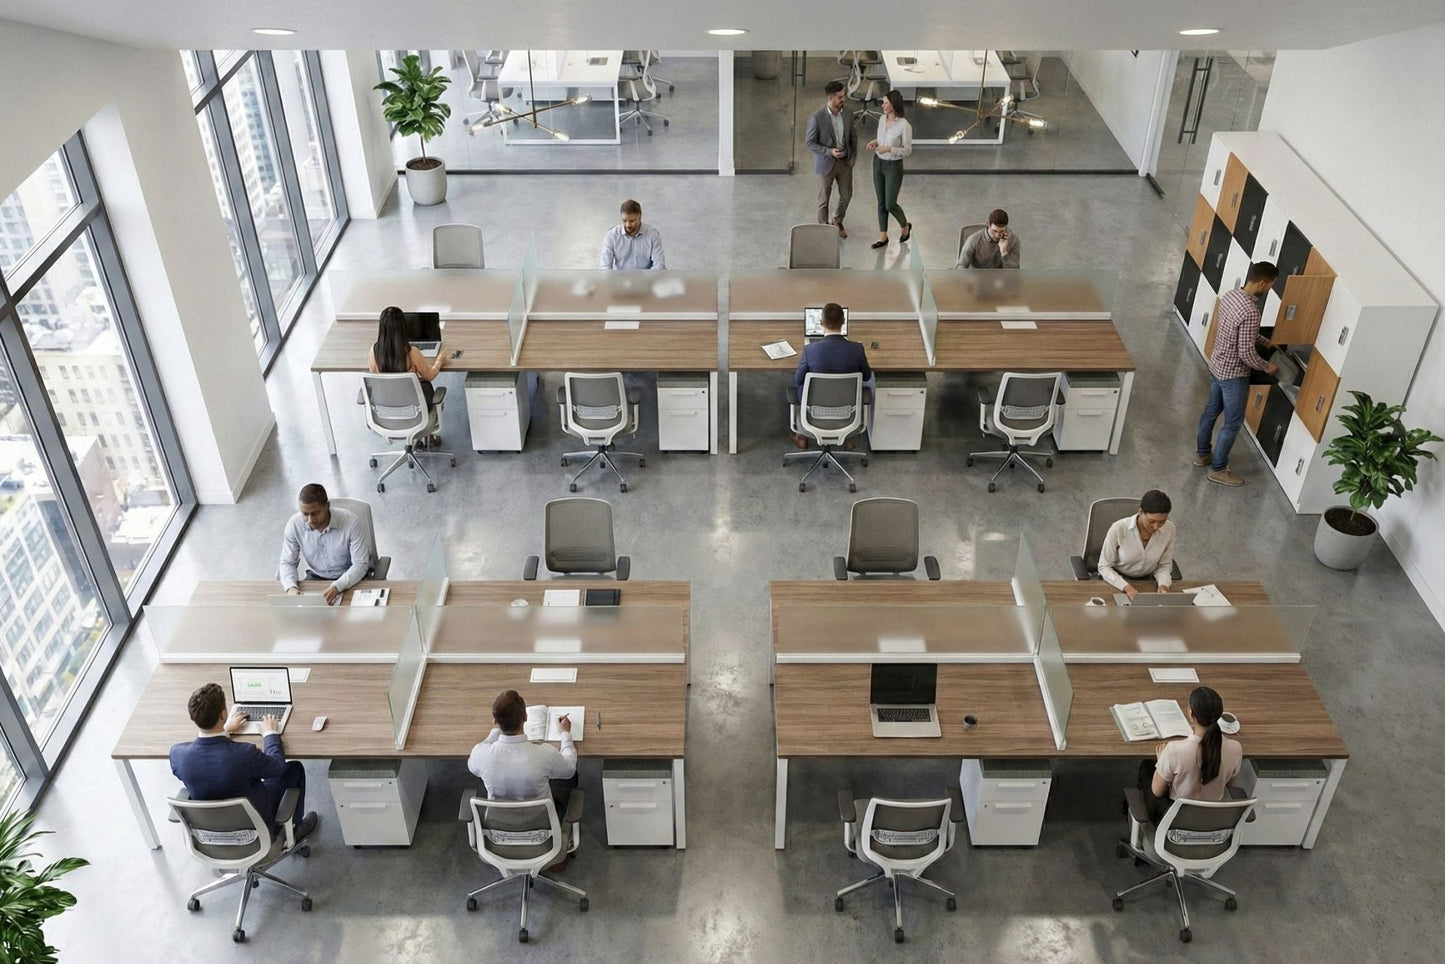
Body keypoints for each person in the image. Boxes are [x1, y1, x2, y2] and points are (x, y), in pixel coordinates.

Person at [169, 682, 318, 841]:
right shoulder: (243, 754)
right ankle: (293, 832)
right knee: (293, 769)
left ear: (193, 717)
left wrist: (224, 730)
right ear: (223, 714)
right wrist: (270, 734)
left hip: (210, 832)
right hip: (255, 830)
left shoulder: (178, 754)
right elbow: (278, 767)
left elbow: (208, 767)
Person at [468, 690, 579, 866]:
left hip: (498, 838)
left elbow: (474, 764)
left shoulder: (481, 755)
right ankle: (557, 859)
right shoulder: (543, 754)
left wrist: (494, 733)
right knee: (569, 780)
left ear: (495, 721)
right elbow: (570, 768)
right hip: (542, 836)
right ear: (525, 717)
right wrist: (565, 735)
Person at [1195, 261, 1280, 486]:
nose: (1269, 290)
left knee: (1211, 411)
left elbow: (1236, 333)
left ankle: (1202, 454)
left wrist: (1265, 340)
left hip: (1217, 365)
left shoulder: (1232, 295)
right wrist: (1266, 366)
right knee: (1233, 423)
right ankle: (1218, 469)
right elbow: (1245, 352)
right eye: (1270, 286)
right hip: (1233, 375)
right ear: (1262, 282)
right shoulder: (1251, 311)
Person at [1138, 686, 1243, 825]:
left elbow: (1157, 792)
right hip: (1212, 818)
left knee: (1146, 767)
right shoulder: (1236, 748)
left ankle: (1138, 820)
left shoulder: (1174, 751)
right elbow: (1229, 784)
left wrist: (1161, 761)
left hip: (1175, 821)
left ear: (1191, 713)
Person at [789, 302, 872, 449]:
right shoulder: (857, 349)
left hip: (813, 412)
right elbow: (866, 376)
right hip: (847, 412)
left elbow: (797, 379)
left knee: (799, 386)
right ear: (843, 322)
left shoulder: (810, 350)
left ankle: (801, 436)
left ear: (821, 323)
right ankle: (844, 436)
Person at [278, 483, 372, 604]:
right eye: (305, 514)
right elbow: (287, 562)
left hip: (352, 577)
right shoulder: (294, 525)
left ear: (327, 506)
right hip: (317, 578)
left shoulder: (350, 522)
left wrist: (337, 587)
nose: (310, 520)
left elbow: (360, 564)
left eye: (315, 513)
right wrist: (291, 588)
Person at [1098, 490, 1176, 599]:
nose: (1156, 527)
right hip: (1117, 582)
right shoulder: (1119, 528)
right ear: (1140, 512)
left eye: (1162, 522)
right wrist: (1126, 587)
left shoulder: (1169, 529)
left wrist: (1164, 585)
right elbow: (1104, 566)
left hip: (1149, 582)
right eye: (1151, 521)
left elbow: (1164, 565)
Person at [369, 305, 447, 414]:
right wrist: (439, 362)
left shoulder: (373, 351)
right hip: (415, 411)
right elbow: (429, 376)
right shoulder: (412, 353)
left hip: (387, 410)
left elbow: (376, 380)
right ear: (403, 327)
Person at [803, 80, 857, 238]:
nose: (843, 99)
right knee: (823, 200)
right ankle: (823, 229)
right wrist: (828, 151)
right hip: (826, 163)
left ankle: (837, 220)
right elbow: (809, 143)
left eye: (844, 95)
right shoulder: (817, 117)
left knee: (846, 195)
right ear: (830, 98)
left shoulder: (848, 113)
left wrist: (851, 157)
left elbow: (853, 137)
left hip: (845, 162)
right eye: (840, 97)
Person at [866, 90, 913, 249]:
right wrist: (875, 143)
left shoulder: (904, 126)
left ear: (893, 105)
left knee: (890, 203)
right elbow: (881, 139)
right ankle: (883, 235)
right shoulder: (881, 119)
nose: (882, 105)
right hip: (878, 163)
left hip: (893, 166)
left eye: (885, 103)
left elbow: (907, 150)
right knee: (881, 202)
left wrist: (890, 149)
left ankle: (905, 225)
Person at [600, 199, 666, 270]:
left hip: (647, 279)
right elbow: (605, 267)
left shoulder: (652, 234)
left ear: (640, 217)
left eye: (632, 221)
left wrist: (646, 280)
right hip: (620, 279)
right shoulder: (612, 235)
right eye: (624, 221)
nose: (628, 225)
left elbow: (659, 265)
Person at [956, 209, 1021, 268]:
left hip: (1000, 277)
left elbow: (1014, 271)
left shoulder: (1013, 240)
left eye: (1002, 231)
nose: (997, 235)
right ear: (988, 225)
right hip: (977, 276)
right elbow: (961, 265)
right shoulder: (974, 240)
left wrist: (1004, 253)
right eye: (994, 231)